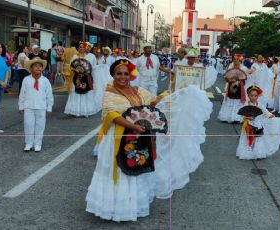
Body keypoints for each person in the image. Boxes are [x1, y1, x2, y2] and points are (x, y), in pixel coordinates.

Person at [86, 59, 211, 221]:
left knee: (138, 166)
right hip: (119, 137)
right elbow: (112, 115)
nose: (123, 77)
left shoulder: (137, 90)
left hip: (139, 136)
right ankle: (115, 207)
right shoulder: (110, 92)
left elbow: (153, 102)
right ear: (113, 75)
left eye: (126, 73)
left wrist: (177, 92)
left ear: (130, 75)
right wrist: (134, 126)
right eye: (119, 74)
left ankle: (132, 205)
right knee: (121, 169)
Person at [236, 85, 280, 160]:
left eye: (255, 96)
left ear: (258, 96)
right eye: (251, 95)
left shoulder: (259, 104)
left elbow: (265, 111)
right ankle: (247, 153)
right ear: (248, 95)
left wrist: (271, 116)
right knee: (248, 139)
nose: (253, 97)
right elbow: (242, 114)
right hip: (249, 124)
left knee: (258, 138)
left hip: (258, 124)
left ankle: (257, 153)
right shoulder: (246, 104)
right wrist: (248, 117)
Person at [18, 58, 54, 152]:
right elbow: (22, 93)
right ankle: (29, 143)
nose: (38, 68)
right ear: (31, 68)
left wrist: (49, 107)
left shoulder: (45, 81)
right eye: (36, 66)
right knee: (28, 125)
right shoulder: (26, 80)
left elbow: (49, 95)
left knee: (40, 125)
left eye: (40, 66)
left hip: (41, 106)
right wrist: (21, 106)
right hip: (28, 106)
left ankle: (38, 143)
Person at [64, 41, 99, 117]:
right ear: (78, 48)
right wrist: (75, 70)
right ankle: (76, 111)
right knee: (76, 94)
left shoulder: (91, 57)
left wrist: (94, 79)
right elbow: (71, 67)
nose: (82, 49)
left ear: (86, 48)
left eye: (83, 47)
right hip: (76, 78)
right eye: (80, 47)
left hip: (87, 78)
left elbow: (93, 68)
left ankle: (85, 111)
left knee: (86, 94)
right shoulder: (75, 57)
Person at [218, 54, 248, 123]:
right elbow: (225, 76)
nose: (235, 60)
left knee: (238, 100)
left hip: (240, 86)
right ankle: (227, 116)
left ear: (240, 60)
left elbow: (245, 78)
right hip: (231, 86)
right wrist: (229, 80)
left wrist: (239, 79)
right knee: (230, 99)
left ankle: (237, 117)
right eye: (234, 59)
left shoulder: (243, 68)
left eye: (237, 59)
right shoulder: (230, 67)